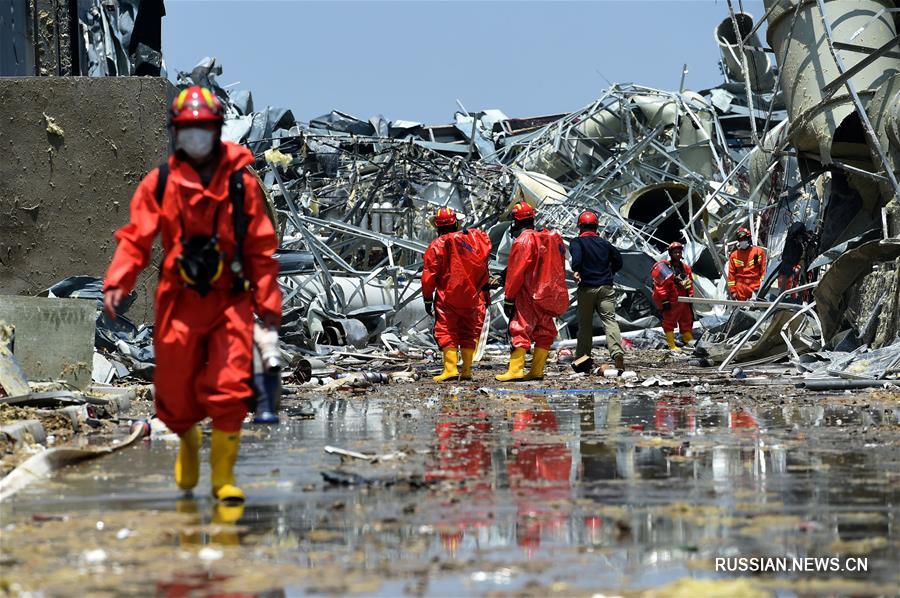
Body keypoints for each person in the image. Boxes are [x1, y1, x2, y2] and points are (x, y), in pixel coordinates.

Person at [102, 85, 281, 503]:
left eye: (203, 129)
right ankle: (187, 442)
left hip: (229, 301)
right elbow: (136, 239)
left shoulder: (240, 184)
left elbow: (260, 247)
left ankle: (223, 478)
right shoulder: (159, 183)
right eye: (188, 130)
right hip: (179, 302)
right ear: (175, 133)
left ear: (216, 131)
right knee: (176, 392)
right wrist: (117, 281)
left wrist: (268, 303)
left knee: (230, 385)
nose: (196, 137)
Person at [496, 202, 568, 381]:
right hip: (548, 294)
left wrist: (509, 298)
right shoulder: (548, 238)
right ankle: (537, 370)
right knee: (545, 331)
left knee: (520, 329)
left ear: (516, 221)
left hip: (528, 294)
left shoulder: (523, 240)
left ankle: (515, 370)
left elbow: (516, 272)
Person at [422, 207, 492, 382]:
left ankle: (451, 370)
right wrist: (486, 295)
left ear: (437, 226)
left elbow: (429, 275)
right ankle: (467, 370)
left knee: (447, 330)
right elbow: (483, 268)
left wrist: (427, 298)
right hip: (473, 296)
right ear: (456, 223)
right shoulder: (474, 241)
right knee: (468, 331)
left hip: (448, 296)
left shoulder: (437, 245)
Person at [570, 210, 625, 371]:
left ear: (580, 227)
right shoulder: (604, 243)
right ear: (596, 227)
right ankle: (616, 353)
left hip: (587, 288)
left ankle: (582, 358)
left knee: (585, 325)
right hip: (606, 288)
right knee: (610, 321)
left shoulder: (577, 242)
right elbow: (619, 260)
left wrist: (576, 269)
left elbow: (577, 258)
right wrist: (610, 273)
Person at [651, 241, 694, 351]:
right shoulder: (665, 268)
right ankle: (671, 344)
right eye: (675, 252)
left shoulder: (685, 268)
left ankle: (688, 339)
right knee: (669, 321)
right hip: (671, 299)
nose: (678, 254)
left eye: (679, 252)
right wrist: (664, 301)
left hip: (683, 298)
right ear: (671, 253)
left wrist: (690, 295)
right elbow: (661, 286)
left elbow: (689, 282)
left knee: (686, 319)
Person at [726, 227, 766, 301]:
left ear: (749, 238)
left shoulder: (758, 252)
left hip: (755, 288)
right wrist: (733, 292)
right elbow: (731, 275)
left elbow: (764, 271)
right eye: (740, 240)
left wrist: (761, 287)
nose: (742, 241)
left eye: (744, 239)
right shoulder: (734, 255)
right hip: (740, 290)